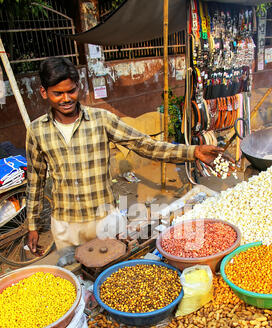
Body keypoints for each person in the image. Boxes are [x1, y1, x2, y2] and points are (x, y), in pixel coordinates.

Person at [26, 57, 232, 265]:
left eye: (71, 91)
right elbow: (35, 179)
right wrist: (32, 225)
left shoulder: (101, 120)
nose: (66, 98)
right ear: (44, 92)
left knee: (115, 272)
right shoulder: (36, 131)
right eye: (57, 93)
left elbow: (144, 144)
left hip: (103, 219)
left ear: (78, 88)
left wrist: (192, 151)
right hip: (66, 225)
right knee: (76, 275)